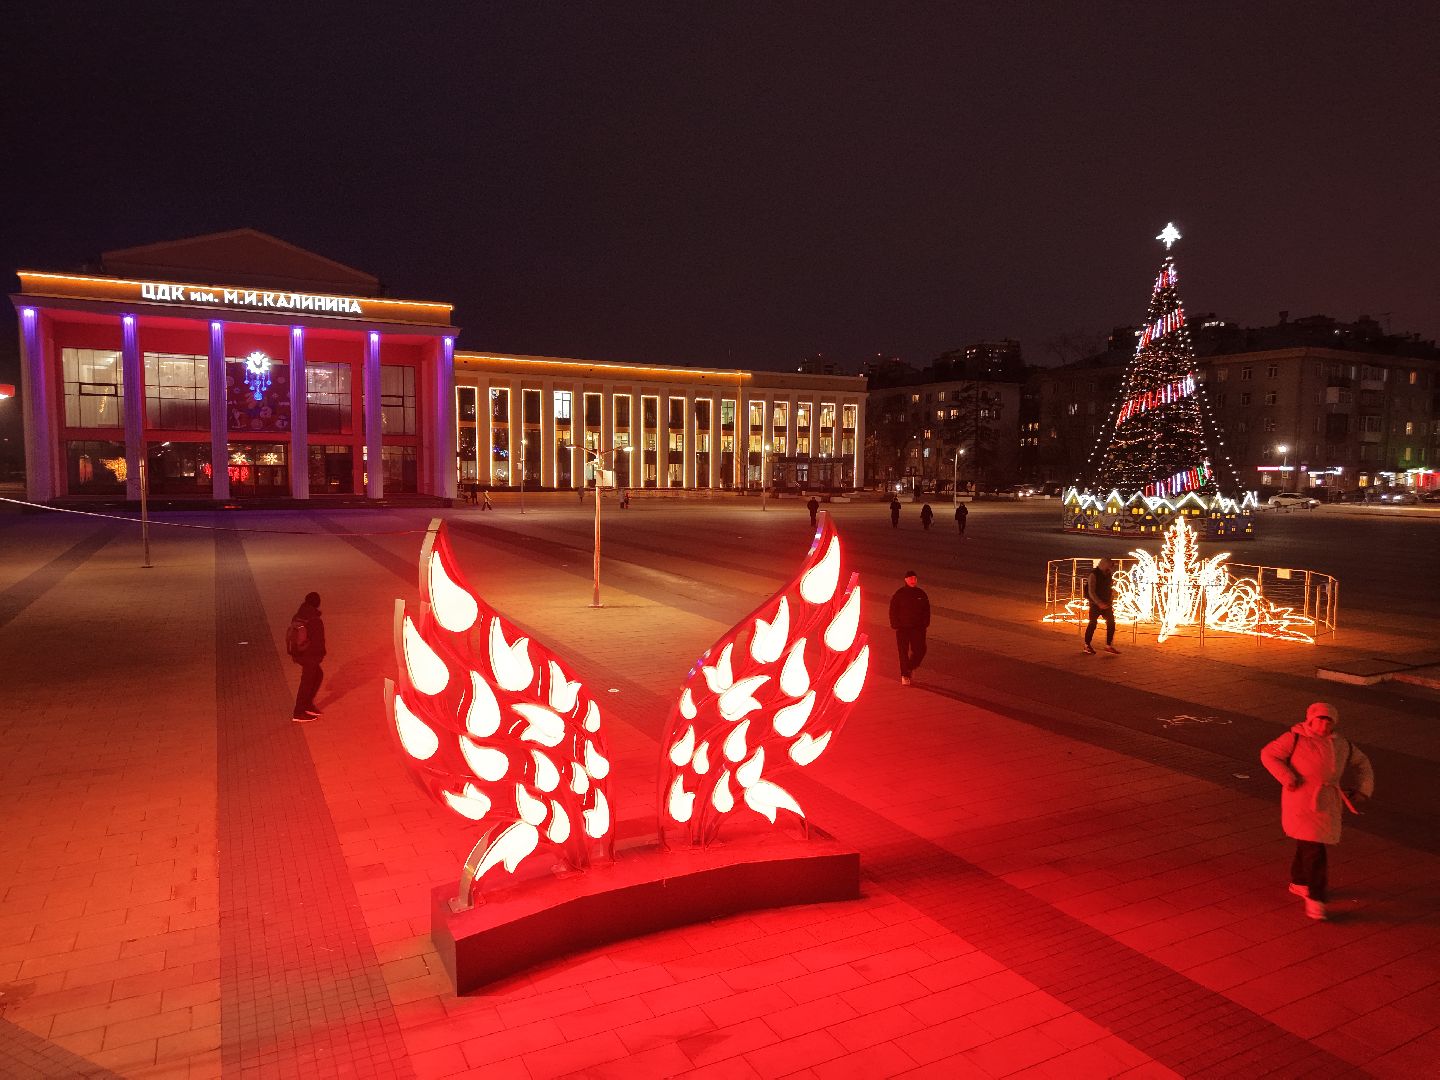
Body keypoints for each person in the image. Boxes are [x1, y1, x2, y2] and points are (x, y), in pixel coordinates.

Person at [1260, 702, 1374, 920]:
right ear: (1310, 720)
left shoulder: (1341, 744)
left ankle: (1300, 881)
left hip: (1327, 801)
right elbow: (1268, 754)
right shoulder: (1295, 737)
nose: (1324, 724)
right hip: (1301, 800)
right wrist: (1286, 777)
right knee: (1314, 847)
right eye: (1320, 719)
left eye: (1328, 720)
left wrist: (1363, 789)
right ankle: (1316, 897)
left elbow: (1363, 763)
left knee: (1308, 842)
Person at [288, 591, 327, 722]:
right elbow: (318, 642)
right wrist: (320, 656)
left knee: (317, 675)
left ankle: (307, 704)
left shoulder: (299, 615)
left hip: (299, 652)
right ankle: (298, 712)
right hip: (309, 656)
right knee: (307, 682)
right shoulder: (315, 620)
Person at [888, 570, 930, 686]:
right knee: (903, 652)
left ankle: (910, 666)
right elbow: (893, 610)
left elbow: (927, 610)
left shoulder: (921, 594)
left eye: (914, 578)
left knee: (921, 650)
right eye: (910, 578)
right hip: (903, 629)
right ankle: (905, 675)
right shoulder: (899, 594)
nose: (913, 581)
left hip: (918, 628)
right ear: (905, 580)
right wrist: (895, 624)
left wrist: (925, 624)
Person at [1083, 558, 1118, 655]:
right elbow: (1091, 591)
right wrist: (1099, 603)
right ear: (1104, 564)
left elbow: (1109, 588)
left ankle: (1108, 645)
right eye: (1110, 565)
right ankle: (1087, 645)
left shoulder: (1108, 574)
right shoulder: (1093, 574)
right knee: (1092, 623)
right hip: (1095, 604)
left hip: (1106, 604)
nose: (1111, 568)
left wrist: (1110, 599)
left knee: (1111, 623)